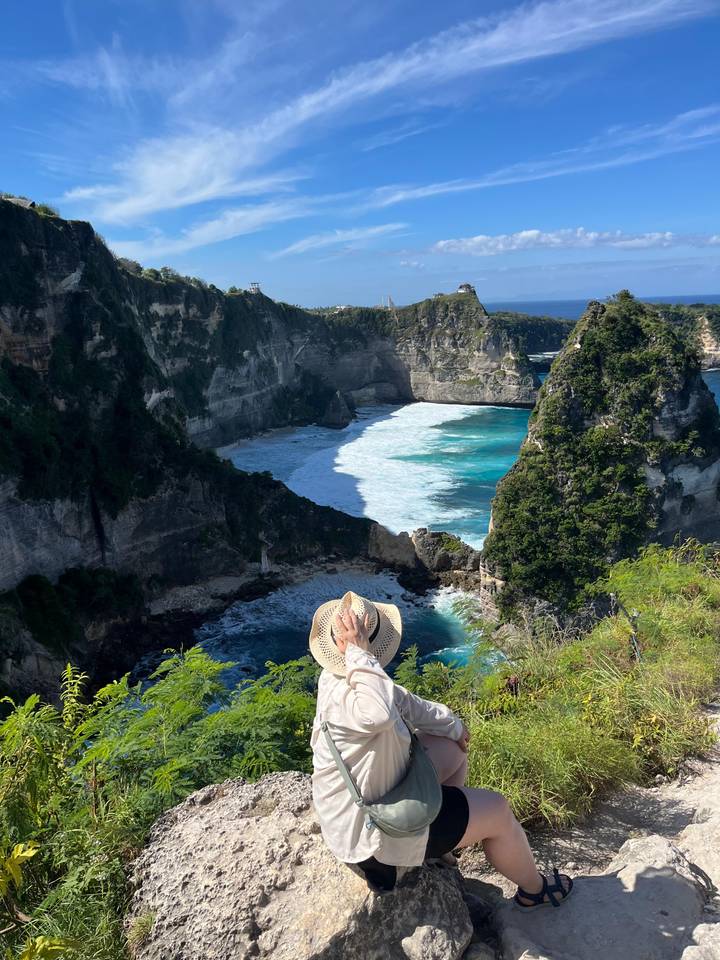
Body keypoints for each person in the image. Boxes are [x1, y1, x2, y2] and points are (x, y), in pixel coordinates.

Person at [309, 590, 574, 906]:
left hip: (368, 806)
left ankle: (441, 847)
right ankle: (536, 890)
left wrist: (454, 726)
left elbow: (403, 701)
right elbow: (379, 711)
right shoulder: (357, 695)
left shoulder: (339, 676)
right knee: (499, 811)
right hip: (375, 843)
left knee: (452, 748)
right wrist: (360, 652)